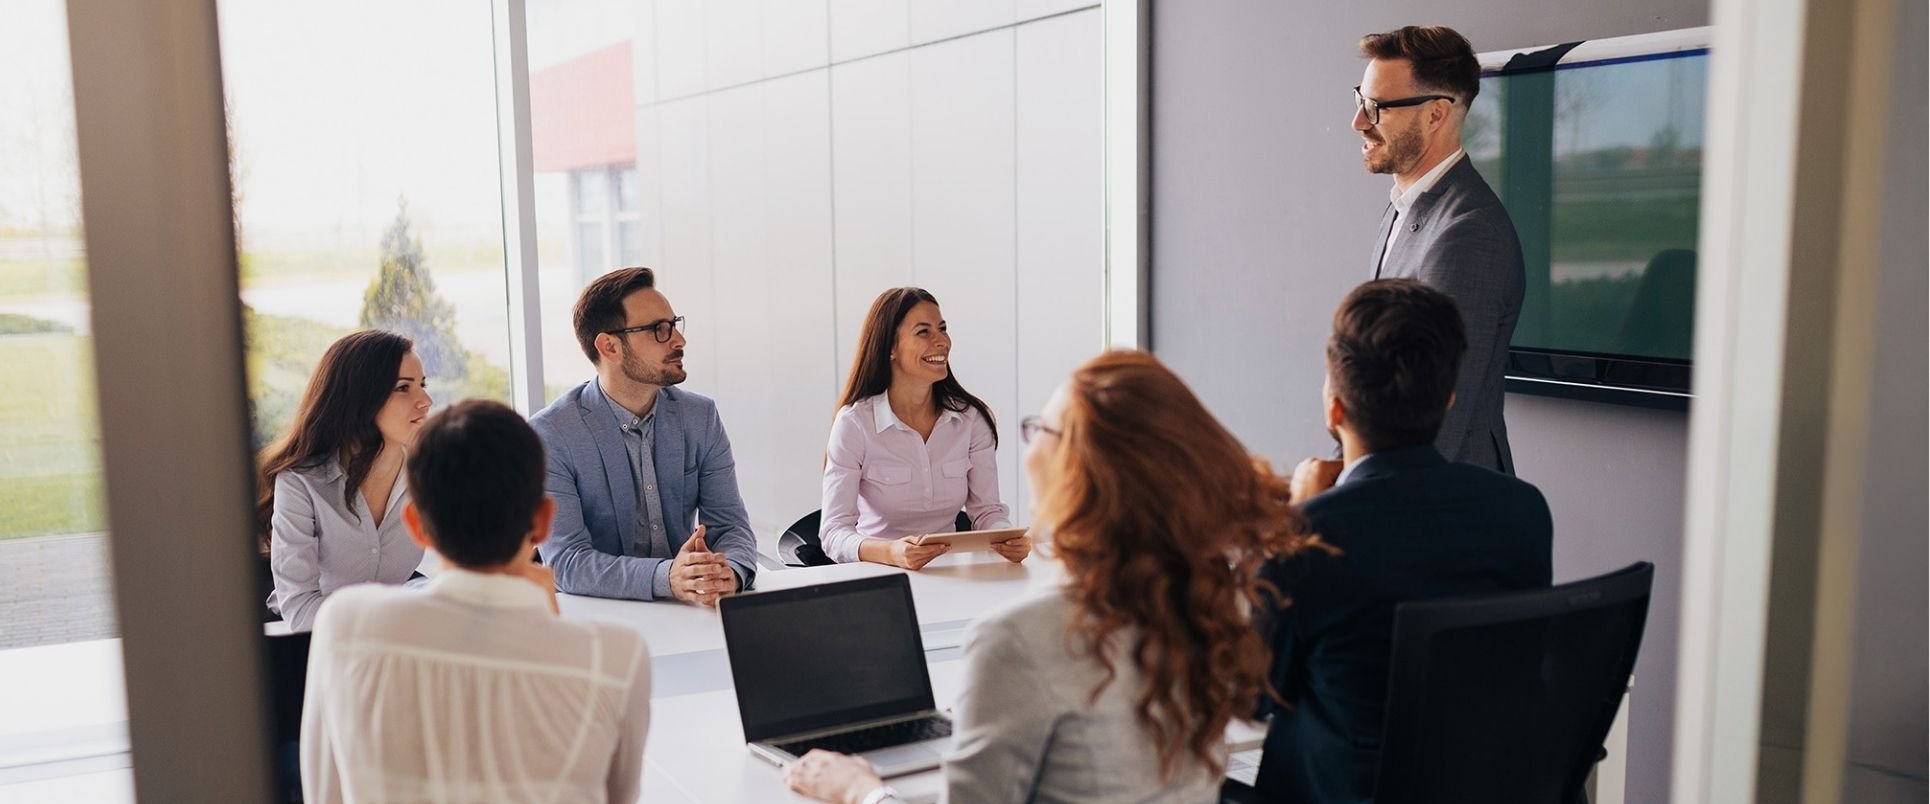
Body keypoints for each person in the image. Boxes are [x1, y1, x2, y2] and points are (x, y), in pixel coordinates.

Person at [785, 350, 1323, 803]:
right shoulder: (1212, 605)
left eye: (1040, 428)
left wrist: (861, 789)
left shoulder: (1019, 640)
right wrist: (999, 701)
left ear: (1077, 470)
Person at [1252, 279, 1552, 802]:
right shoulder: (1524, 511)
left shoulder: (1310, 540)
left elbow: (1247, 694)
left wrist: (1300, 517)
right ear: (1449, 398)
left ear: (1335, 409)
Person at [301, 399, 651, 803]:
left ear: (415, 525)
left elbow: (323, 795)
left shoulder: (344, 625)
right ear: (542, 521)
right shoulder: (615, 657)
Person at [1354, 25, 1524, 473]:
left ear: (1435, 114)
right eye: (1360, 100)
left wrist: (1360, 509)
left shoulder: (1469, 233)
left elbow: (1438, 417)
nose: (1359, 122)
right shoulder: (1402, 207)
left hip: (1444, 510)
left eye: (1376, 108)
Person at [532, 267, 756, 604]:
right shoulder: (551, 434)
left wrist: (730, 573)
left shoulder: (700, 417)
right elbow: (566, 562)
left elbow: (730, 526)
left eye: (674, 325)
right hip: (602, 617)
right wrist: (667, 577)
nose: (678, 340)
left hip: (689, 611)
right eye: (658, 330)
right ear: (609, 346)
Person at [819, 287, 1022, 569]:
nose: (942, 341)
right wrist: (892, 553)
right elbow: (833, 533)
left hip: (952, 573)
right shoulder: (854, 424)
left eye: (943, 328)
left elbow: (986, 510)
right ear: (891, 347)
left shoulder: (971, 420)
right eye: (924, 332)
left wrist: (1005, 536)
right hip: (880, 576)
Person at [260, 330, 432, 632]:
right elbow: (300, 609)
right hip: (309, 647)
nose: (425, 401)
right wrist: (399, 617)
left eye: (422, 385)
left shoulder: (430, 471)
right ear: (360, 398)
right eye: (404, 388)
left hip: (395, 642)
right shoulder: (301, 483)